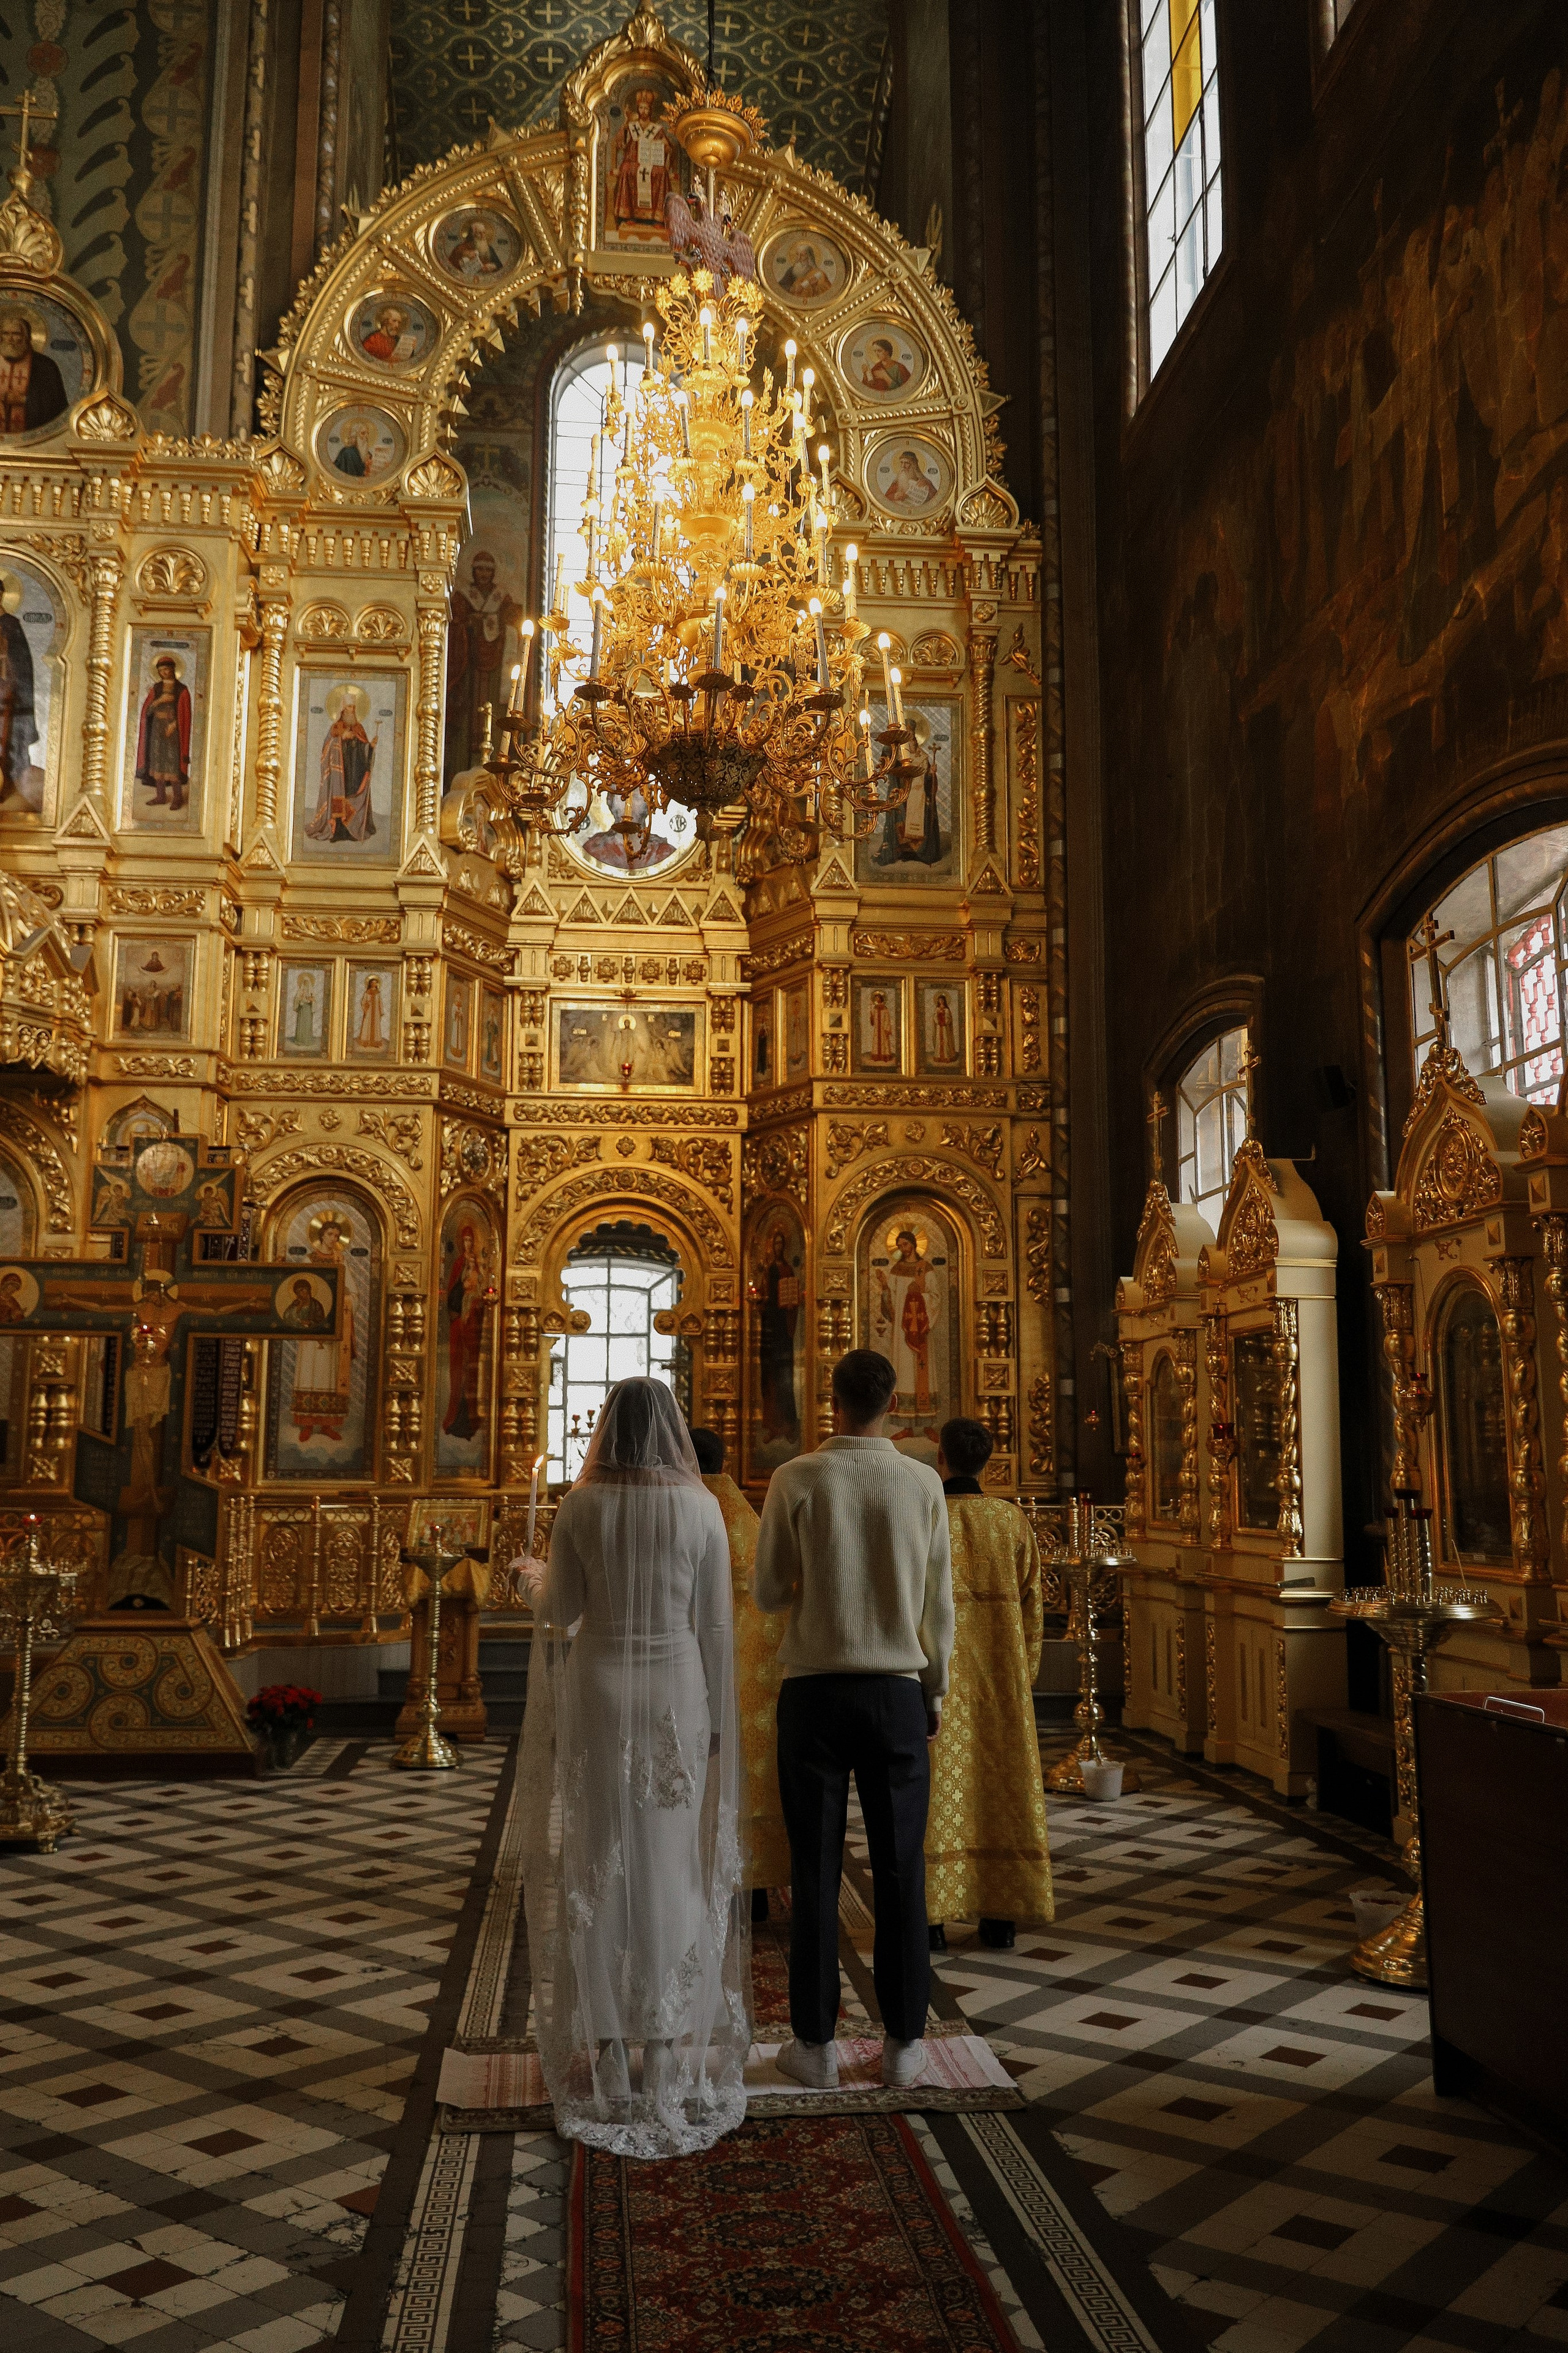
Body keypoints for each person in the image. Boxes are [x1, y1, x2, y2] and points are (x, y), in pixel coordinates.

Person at [519, 1380, 748, 2157]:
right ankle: (663, 2058)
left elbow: (562, 1611)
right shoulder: (699, 1507)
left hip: (602, 1686)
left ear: (608, 1433)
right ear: (673, 1432)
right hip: (677, 1691)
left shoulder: (582, 1508)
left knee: (597, 1861)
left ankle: (609, 2054)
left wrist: (530, 1580)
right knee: (669, 1865)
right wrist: (718, 1719)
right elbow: (715, 1622)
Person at [753, 1348, 953, 2092]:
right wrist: (932, 1691)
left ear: (827, 1398)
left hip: (814, 1692)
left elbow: (770, 1592)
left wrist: (822, 1569)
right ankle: (904, 2045)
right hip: (898, 1691)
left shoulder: (797, 1476)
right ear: (894, 1400)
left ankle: (815, 2048)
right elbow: (940, 1605)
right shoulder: (922, 1480)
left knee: (813, 1868)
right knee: (902, 1867)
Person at [925, 1418, 1053, 1955]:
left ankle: (930, 1918)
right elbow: (1034, 1610)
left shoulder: (927, 1517)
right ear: (987, 1461)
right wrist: (1021, 1678)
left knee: (934, 1795)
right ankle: (1001, 1919)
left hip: (938, 1684)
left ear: (943, 1460)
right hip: (1002, 1685)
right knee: (1004, 1794)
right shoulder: (1011, 1520)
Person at [690, 1425, 790, 1914]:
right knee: (745, 1780)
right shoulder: (750, 1522)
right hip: (752, 1678)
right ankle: (752, 1891)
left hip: (687, 1672)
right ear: (726, 1462)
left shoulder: (682, 1512)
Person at [0, 308, 67, 434]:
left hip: (34, 438)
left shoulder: (45, 366)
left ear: (25, 337)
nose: (10, 339)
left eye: (16, 334)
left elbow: (57, 407)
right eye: (6, 333)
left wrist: (24, 400)